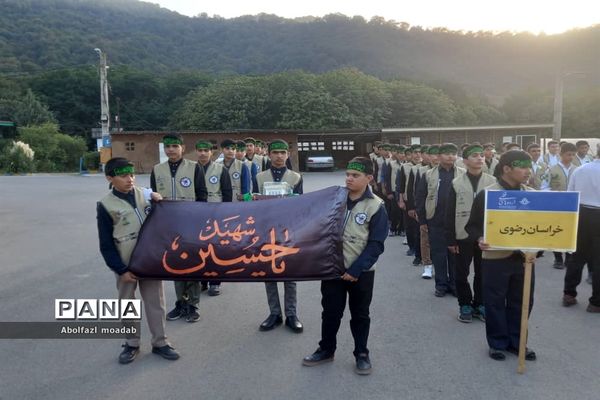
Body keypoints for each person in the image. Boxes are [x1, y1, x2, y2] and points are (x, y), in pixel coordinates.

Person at [302, 157, 388, 375]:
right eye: (347, 174)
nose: (349, 179)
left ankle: (361, 353)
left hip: (362, 273)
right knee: (330, 313)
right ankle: (326, 349)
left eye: (355, 175)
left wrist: (355, 270)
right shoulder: (334, 199)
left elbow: (377, 244)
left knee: (360, 315)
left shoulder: (376, 205)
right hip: (332, 270)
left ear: (369, 178)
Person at [97, 157, 180, 364]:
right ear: (110, 178)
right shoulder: (106, 205)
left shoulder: (144, 194)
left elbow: (162, 215)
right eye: (123, 175)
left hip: (150, 261)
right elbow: (105, 243)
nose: (130, 179)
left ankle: (160, 342)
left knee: (156, 303)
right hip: (126, 265)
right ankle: (131, 344)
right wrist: (120, 269)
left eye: (132, 174)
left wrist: (156, 198)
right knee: (127, 305)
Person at [465, 150, 537, 361]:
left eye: (529, 166)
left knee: (523, 301)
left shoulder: (533, 195)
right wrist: (479, 239)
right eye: (522, 166)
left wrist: (539, 248)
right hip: (495, 258)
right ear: (506, 169)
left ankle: (517, 342)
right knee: (495, 301)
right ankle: (497, 342)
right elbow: (472, 226)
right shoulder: (488, 195)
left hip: (525, 259)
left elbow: (542, 226)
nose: (527, 171)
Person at [151, 134, 208, 323]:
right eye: (167, 147)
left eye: (175, 146)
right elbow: (154, 199)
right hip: (170, 225)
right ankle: (180, 303)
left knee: (193, 263)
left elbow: (202, 196)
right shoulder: (157, 170)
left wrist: (199, 222)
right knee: (174, 264)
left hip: (191, 225)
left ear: (182, 148)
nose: (171, 150)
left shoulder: (194, 168)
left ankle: (193, 304)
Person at [254, 139, 304, 333]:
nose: (279, 156)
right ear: (269, 154)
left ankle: (291, 314)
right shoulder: (259, 176)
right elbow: (254, 202)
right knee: (269, 272)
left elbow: (301, 204)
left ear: (288, 154)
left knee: (289, 273)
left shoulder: (296, 177)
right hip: (266, 229)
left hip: (288, 230)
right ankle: (274, 313)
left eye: (283, 152)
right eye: (275, 152)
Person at [445, 144, 496, 322]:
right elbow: (449, 212)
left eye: (482, 155)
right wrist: (451, 239)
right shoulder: (456, 183)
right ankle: (465, 304)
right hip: (462, 236)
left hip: (486, 236)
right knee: (461, 273)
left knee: (483, 273)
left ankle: (480, 304)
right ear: (465, 161)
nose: (480, 158)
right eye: (474, 156)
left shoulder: (492, 182)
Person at [416, 143, 464, 297]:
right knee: (438, 254)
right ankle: (441, 284)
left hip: (457, 222)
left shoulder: (463, 174)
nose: (450, 156)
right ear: (439, 156)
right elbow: (420, 197)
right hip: (435, 219)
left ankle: (455, 284)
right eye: (446, 153)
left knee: (456, 255)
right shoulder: (429, 174)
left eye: (453, 153)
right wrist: (423, 221)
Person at [562, 144, 600, 312]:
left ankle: (569, 294)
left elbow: (570, 194)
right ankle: (596, 302)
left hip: (581, 214)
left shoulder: (580, 169)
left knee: (576, 257)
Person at [196, 139, 233, 295]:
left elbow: (227, 193)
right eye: (200, 150)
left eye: (206, 150)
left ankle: (215, 282)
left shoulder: (220, 169)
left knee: (215, 249)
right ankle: (202, 281)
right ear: (196, 151)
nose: (203, 153)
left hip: (216, 213)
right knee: (198, 248)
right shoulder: (191, 169)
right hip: (197, 213)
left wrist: (225, 214)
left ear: (212, 152)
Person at [542, 142, 578, 269]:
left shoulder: (578, 170)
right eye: (569, 154)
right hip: (556, 205)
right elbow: (544, 187)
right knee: (555, 232)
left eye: (574, 155)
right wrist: (554, 194)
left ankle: (569, 258)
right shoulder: (551, 169)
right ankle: (558, 259)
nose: (571, 157)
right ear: (561, 154)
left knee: (570, 232)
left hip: (572, 206)